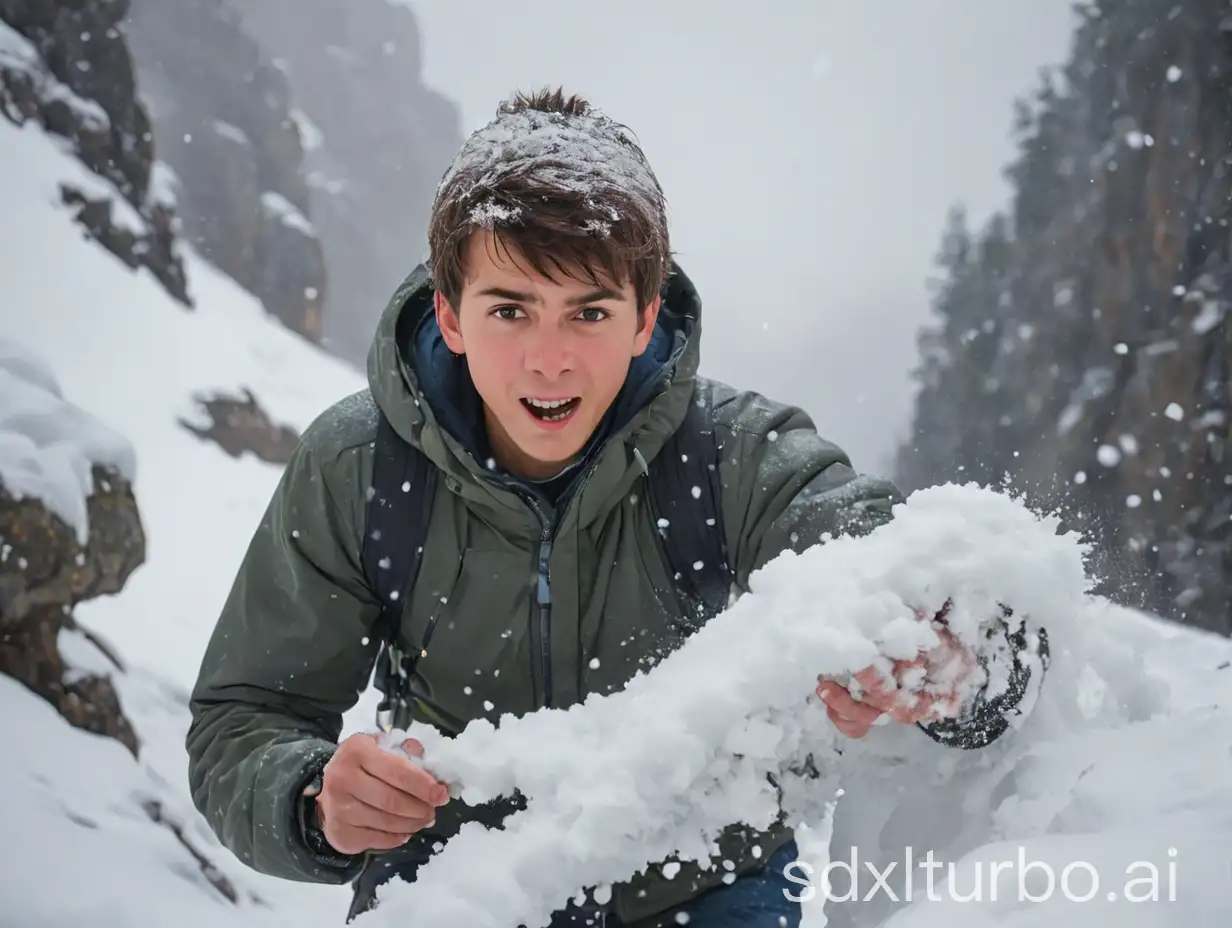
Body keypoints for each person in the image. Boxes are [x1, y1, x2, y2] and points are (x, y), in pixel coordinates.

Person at [187, 88, 1048, 928]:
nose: (549, 362)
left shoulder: (735, 456)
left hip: (706, 880)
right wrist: (314, 802)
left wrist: (960, 665)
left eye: (589, 312)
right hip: (453, 880)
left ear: (645, 318)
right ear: (450, 316)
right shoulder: (362, 465)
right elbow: (244, 716)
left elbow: (927, 577)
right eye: (510, 310)